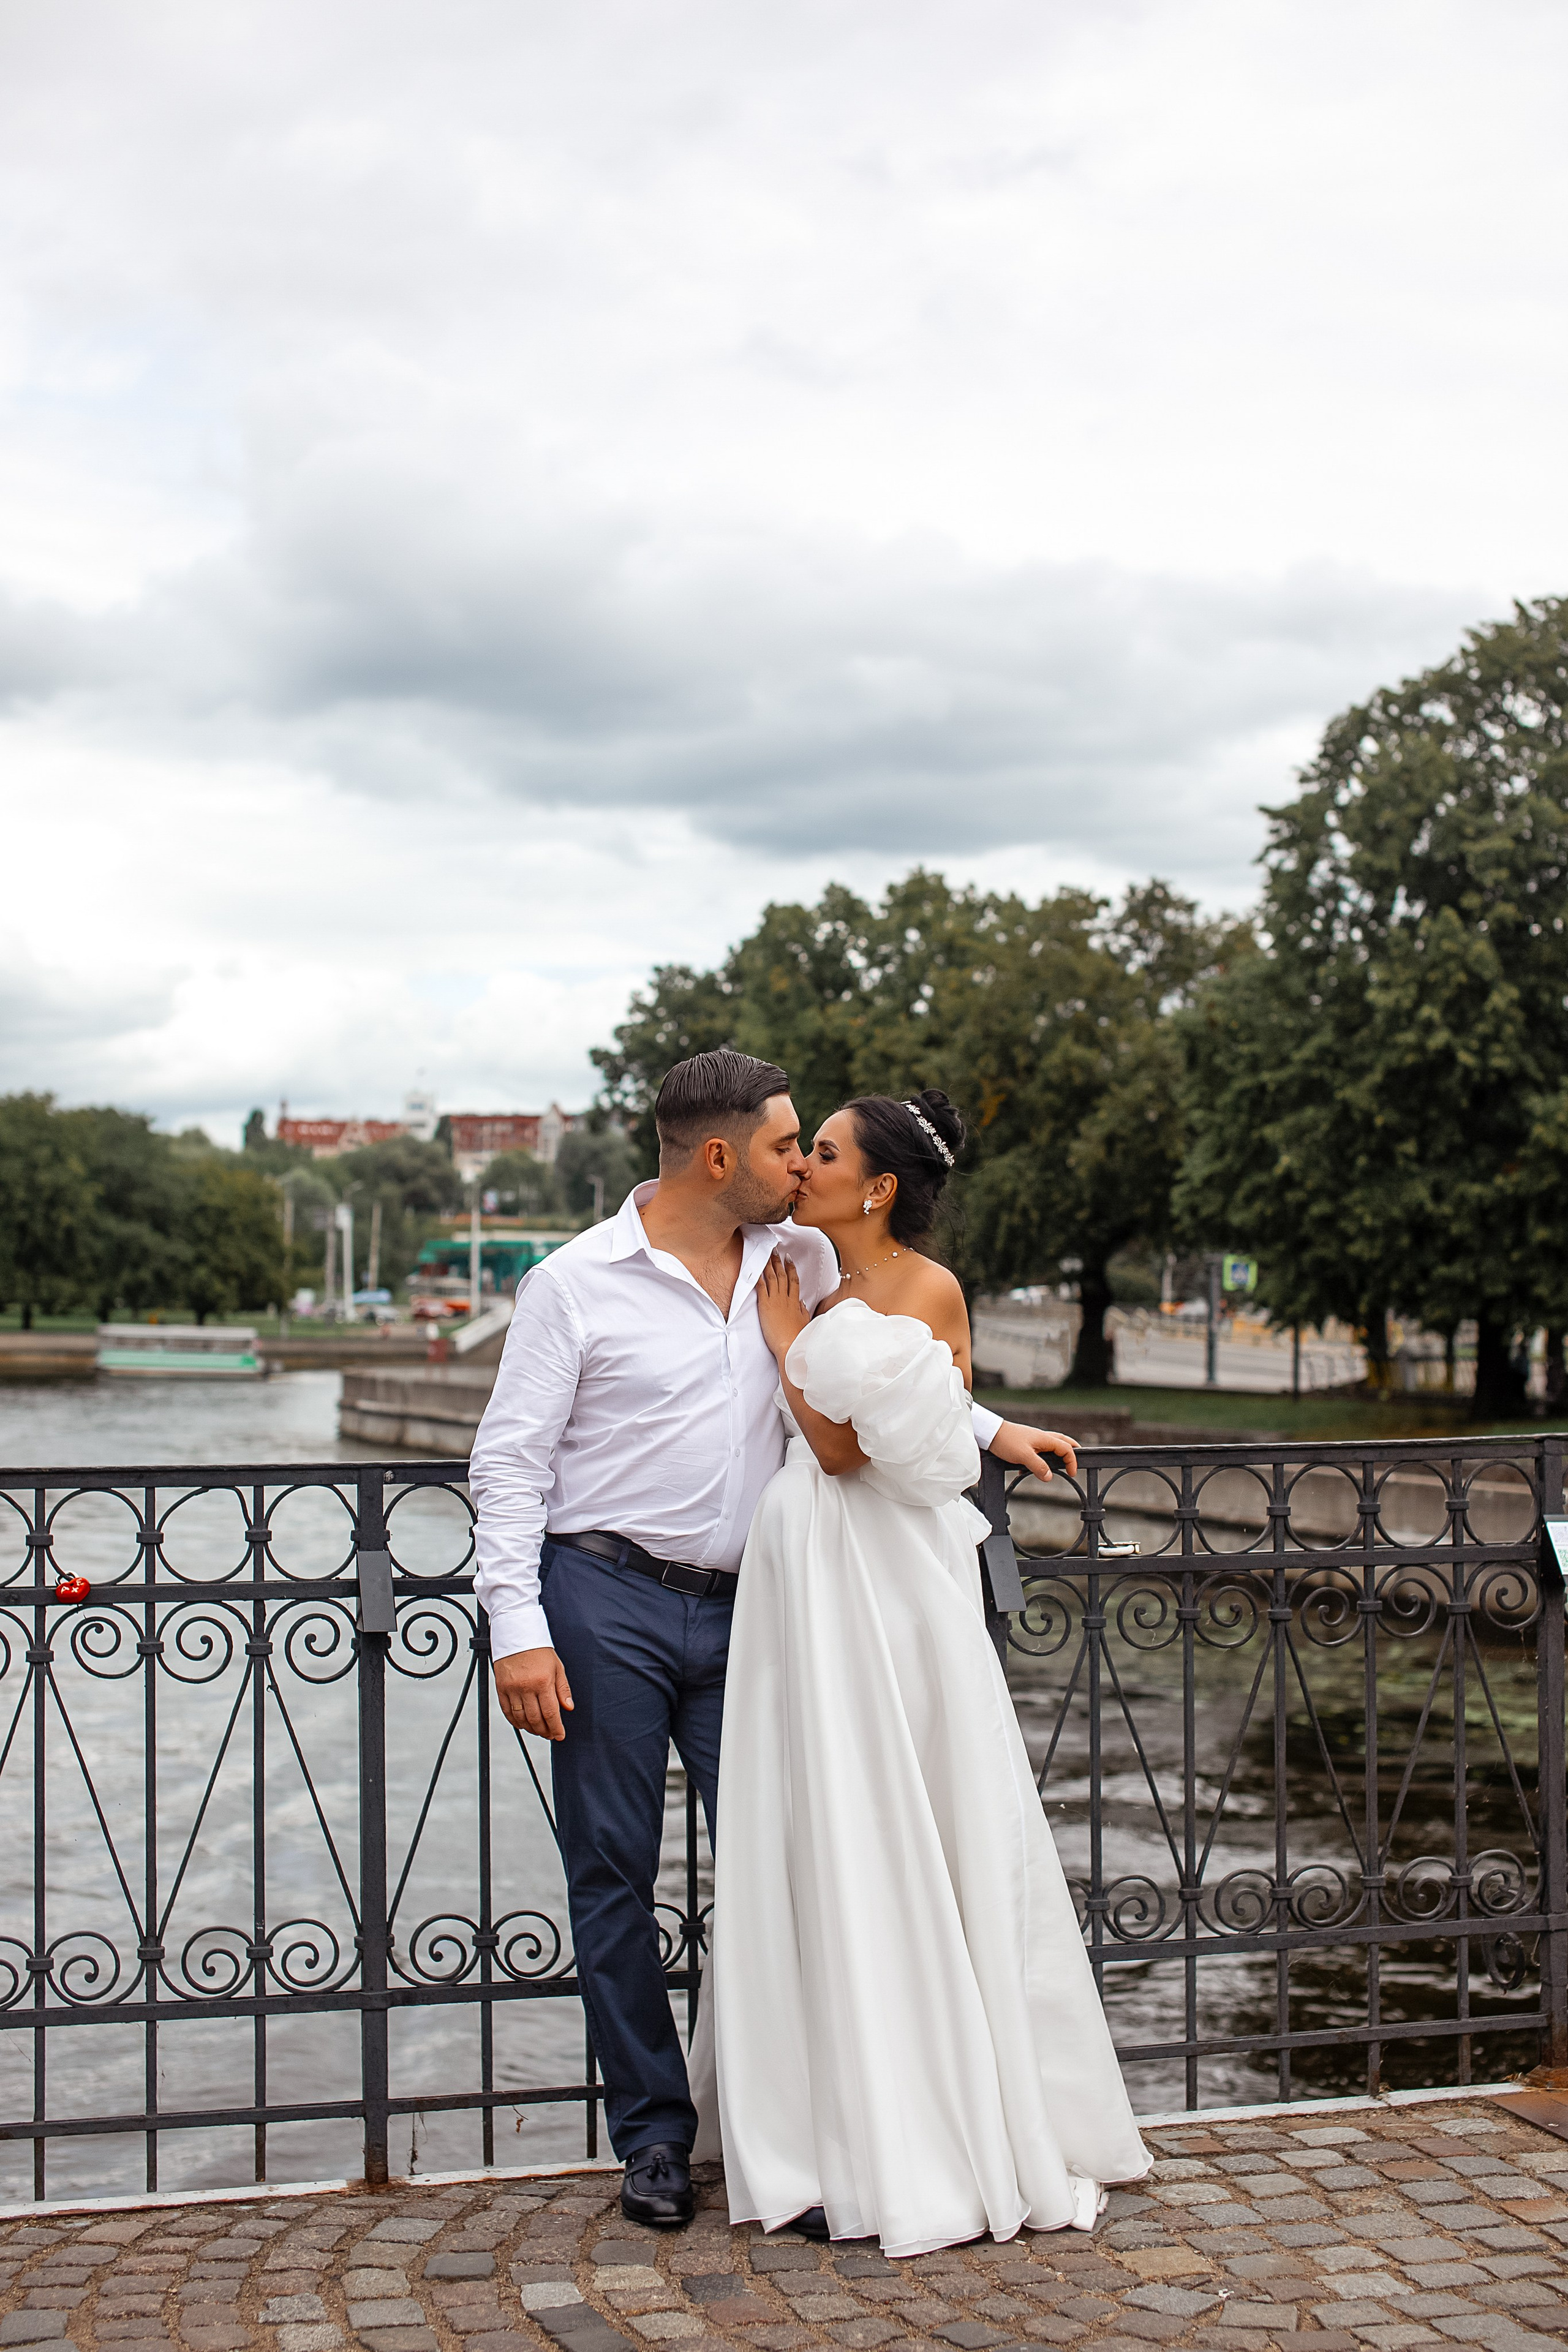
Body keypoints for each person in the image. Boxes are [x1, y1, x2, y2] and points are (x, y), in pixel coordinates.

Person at [469, 1050, 1080, 2230]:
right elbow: (509, 1465)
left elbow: (889, 1369)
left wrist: (998, 1431)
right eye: (784, 1145)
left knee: (787, 1862)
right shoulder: (571, 1284)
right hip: (605, 1600)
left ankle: (797, 2141)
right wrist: (519, 1629)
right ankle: (652, 2138)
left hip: (759, 1605)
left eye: (813, 1146)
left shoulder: (796, 1255)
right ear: (719, 1155)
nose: (800, 1163)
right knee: (613, 1875)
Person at [688, 1088, 1150, 2255]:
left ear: (879, 1185)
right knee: (815, 1818)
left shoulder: (917, 1286)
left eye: (824, 1153)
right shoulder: (801, 1258)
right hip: (804, 1570)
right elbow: (938, 1402)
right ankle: (815, 2108)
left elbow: (851, 1444)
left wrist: (790, 1347)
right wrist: (1002, 1432)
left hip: (873, 1566)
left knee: (904, 1811)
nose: (802, 1168)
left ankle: (922, 2120)